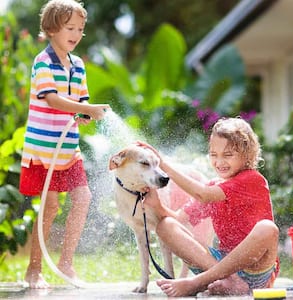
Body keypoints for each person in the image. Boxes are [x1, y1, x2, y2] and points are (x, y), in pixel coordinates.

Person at [19, 0, 110, 289]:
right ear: (51, 29)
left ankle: (66, 263)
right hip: (44, 150)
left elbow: (80, 101)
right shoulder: (43, 62)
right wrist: (86, 109)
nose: (76, 34)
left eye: (80, 29)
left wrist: (84, 111)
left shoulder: (79, 65)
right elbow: (52, 99)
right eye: (70, 28)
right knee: (50, 207)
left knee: (82, 198)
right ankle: (34, 270)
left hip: (69, 149)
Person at [138, 117, 279, 297]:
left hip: (257, 269)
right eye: (214, 154)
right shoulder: (214, 186)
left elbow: (202, 194)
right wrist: (156, 205)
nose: (219, 162)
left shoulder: (252, 179)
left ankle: (198, 282)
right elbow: (178, 220)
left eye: (228, 155)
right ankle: (230, 282)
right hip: (221, 266)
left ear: (247, 155)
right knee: (165, 226)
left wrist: (163, 165)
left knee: (267, 228)